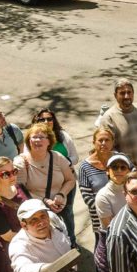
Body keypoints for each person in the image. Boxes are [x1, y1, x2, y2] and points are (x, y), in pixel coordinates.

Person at [14, 123, 77, 247]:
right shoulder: (21, 162)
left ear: (49, 141)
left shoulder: (57, 157)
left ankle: (71, 248)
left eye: (42, 137)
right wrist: (46, 201)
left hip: (61, 204)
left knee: (67, 234)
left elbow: (71, 180)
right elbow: (21, 192)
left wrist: (62, 194)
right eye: (34, 137)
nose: (37, 140)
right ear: (29, 141)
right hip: (37, 210)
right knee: (45, 241)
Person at [32, 108, 79, 245]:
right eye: (42, 119)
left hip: (67, 182)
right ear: (36, 121)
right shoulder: (33, 138)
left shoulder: (63, 136)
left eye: (49, 118)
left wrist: (63, 163)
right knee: (49, 216)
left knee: (67, 213)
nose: (46, 121)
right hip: (44, 186)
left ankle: (72, 242)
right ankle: (56, 244)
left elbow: (75, 157)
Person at [0, 157, 31, 272]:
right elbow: (8, 236)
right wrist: (36, 235)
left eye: (14, 171)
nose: (12, 176)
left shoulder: (20, 186)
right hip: (13, 251)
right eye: (5, 174)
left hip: (33, 243)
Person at [94, 154, 132, 272]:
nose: (119, 171)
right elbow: (111, 226)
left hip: (133, 239)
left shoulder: (133, 190)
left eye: (123, 167)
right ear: (107, 171)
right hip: (112, 242)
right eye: (114, 167)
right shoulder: (103, 196)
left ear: (128, 171)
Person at [98, 78, 137, 167]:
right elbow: (108, 149)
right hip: (124, 171)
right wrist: (129, 167)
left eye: (129, 92)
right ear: (115, 95)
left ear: (133, 93)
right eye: (122, 93)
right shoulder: (108, 118)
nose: (126, 96)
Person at [9, 199, 72, 272]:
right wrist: (51, 268)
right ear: (24, 225)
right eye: (34, 220)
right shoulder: (18, 245)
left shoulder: (53, 219)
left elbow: (65, 233)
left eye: (43, 216)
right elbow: (22, 269)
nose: (41, 223)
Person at [78, 127, 115, 257]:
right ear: (94, 142)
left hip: (122, 215)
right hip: (99, 219)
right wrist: (107, 210)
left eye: (107, 140)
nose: (104, 143)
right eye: (100, 140)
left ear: (112, 142)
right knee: (102, 251)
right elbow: (87, 197)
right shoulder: (85, 167)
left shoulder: (120, 159)